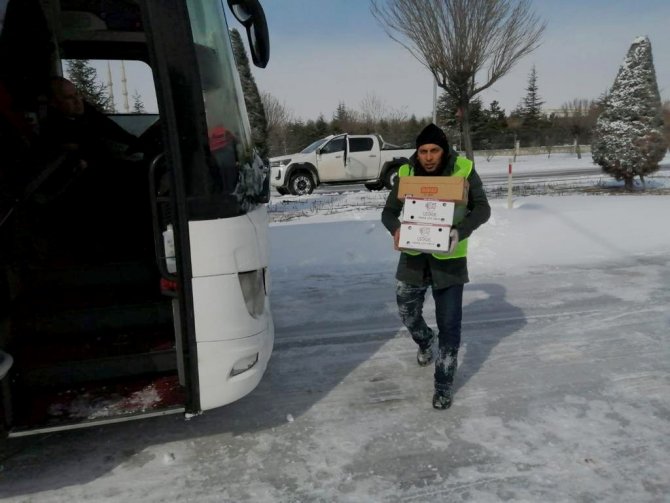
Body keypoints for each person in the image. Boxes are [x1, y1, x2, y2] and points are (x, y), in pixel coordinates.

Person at [381, 123, 490, 409]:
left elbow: (482, 208)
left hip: (449, 261)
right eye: (423, 151)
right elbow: (389, 212)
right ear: (417, 152)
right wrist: (395, 229)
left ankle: (443, 385)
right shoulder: (406, 173)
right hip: (414, 257)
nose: (428, 157)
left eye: (434, 151)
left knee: (450, 326)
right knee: (407, 312)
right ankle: (425, 340)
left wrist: (460, 231)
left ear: (444, 150)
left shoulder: (463, 169)